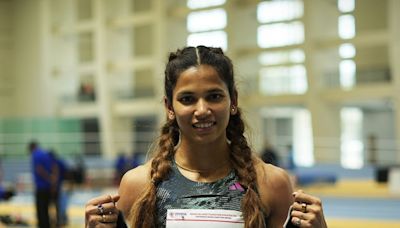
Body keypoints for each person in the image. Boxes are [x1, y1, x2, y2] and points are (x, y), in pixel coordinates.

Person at [85, 46, 328, 228]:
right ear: (169, 107)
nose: (202, 110)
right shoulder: (139, 184)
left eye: (214, 96)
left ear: (233, 100)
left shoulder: (271, 183)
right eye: (187, 99)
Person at [28, 141, 57, 228]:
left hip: (41, 187)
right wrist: (52, 180)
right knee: (46, 209)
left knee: (41, 211)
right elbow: (54, 167)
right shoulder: (45, 154)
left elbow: (39, 169)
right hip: (48, 187)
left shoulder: (35, 155)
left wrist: (48, 177)